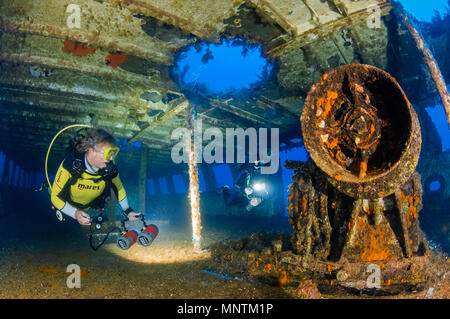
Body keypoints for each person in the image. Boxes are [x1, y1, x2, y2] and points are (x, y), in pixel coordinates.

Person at [50, 127, 141, 226]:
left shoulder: (109, 169)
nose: (111, 158)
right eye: (108, 153)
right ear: (91, 149)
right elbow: (55, 197)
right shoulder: (71, 164)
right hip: (68, 204)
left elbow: (119, 188)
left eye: (113, 153)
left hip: (91, 208)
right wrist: (75, 213)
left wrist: (128, 211)